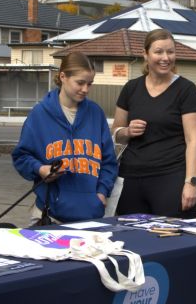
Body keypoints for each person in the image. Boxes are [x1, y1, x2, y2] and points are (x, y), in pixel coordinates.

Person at [12, 52, 118, 223]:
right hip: (49, 216)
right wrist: (41, 169)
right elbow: (21, 157)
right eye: (80, 83)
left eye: (90, 84)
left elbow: (109, 162)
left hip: (91, 216)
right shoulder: (40, 114)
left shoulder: (96, 113)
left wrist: (101, 192)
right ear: (63, 77)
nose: (85, 89)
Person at [111, 29, 196, 219]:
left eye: (170, 52)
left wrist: (191, 183)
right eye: (159, 52)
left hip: (170, 177)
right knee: (132, 234)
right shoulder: (131, 88)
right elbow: (116, 133)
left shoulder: (186, 90)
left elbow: (193, 141)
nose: (165, 58)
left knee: (171, 234)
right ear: (145, 54)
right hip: (131, 178)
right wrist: (127, 131)